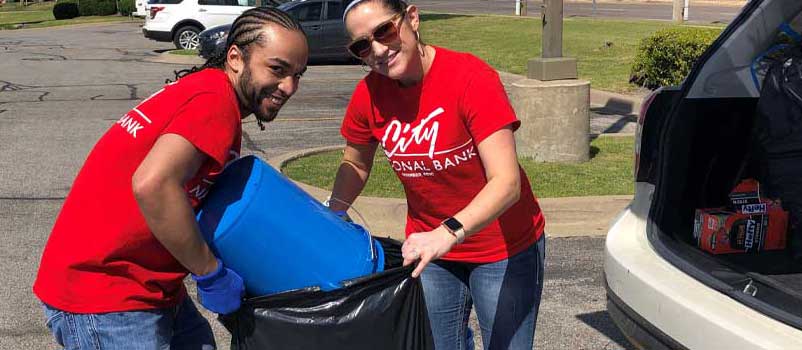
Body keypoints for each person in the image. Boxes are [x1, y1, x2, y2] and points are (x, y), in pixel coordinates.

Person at [32, 7, 308, 349]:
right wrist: (210, 273)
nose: (289, 86)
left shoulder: (208, 90)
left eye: (298, 74)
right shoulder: (215, 102)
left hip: (150, 286)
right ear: (236, 57)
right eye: (278, 69)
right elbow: (154, 184)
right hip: (107, 293)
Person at [329, 1, 547, 349]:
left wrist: (449, 232)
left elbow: (507, 183)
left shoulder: (470, 78)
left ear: (411, 18)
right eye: (363, 46)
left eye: (385, 30)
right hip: (432, 252)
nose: (379, 49)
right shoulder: (368, 95)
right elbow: (355, 163)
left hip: (502, 248)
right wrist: (333, 213)